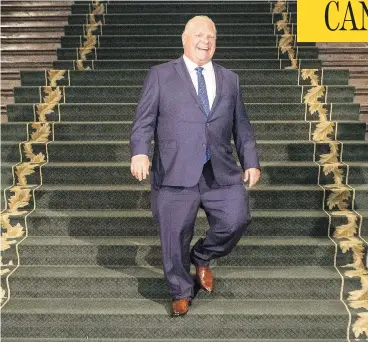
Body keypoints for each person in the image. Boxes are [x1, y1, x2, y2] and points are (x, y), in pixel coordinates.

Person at [130, 16, 261, 317]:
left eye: (211, 36)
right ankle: (180, 290)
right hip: (175, 171)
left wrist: (250, 161)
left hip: (221, 170)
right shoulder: (161, 75)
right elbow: (144, 121)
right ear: (184, 39)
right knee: (173, 237)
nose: (205, 41)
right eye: (199, 35)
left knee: (237, 219)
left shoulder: (230, 79)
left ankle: (202, 255)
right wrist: (140, 152)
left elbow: (242, 126)